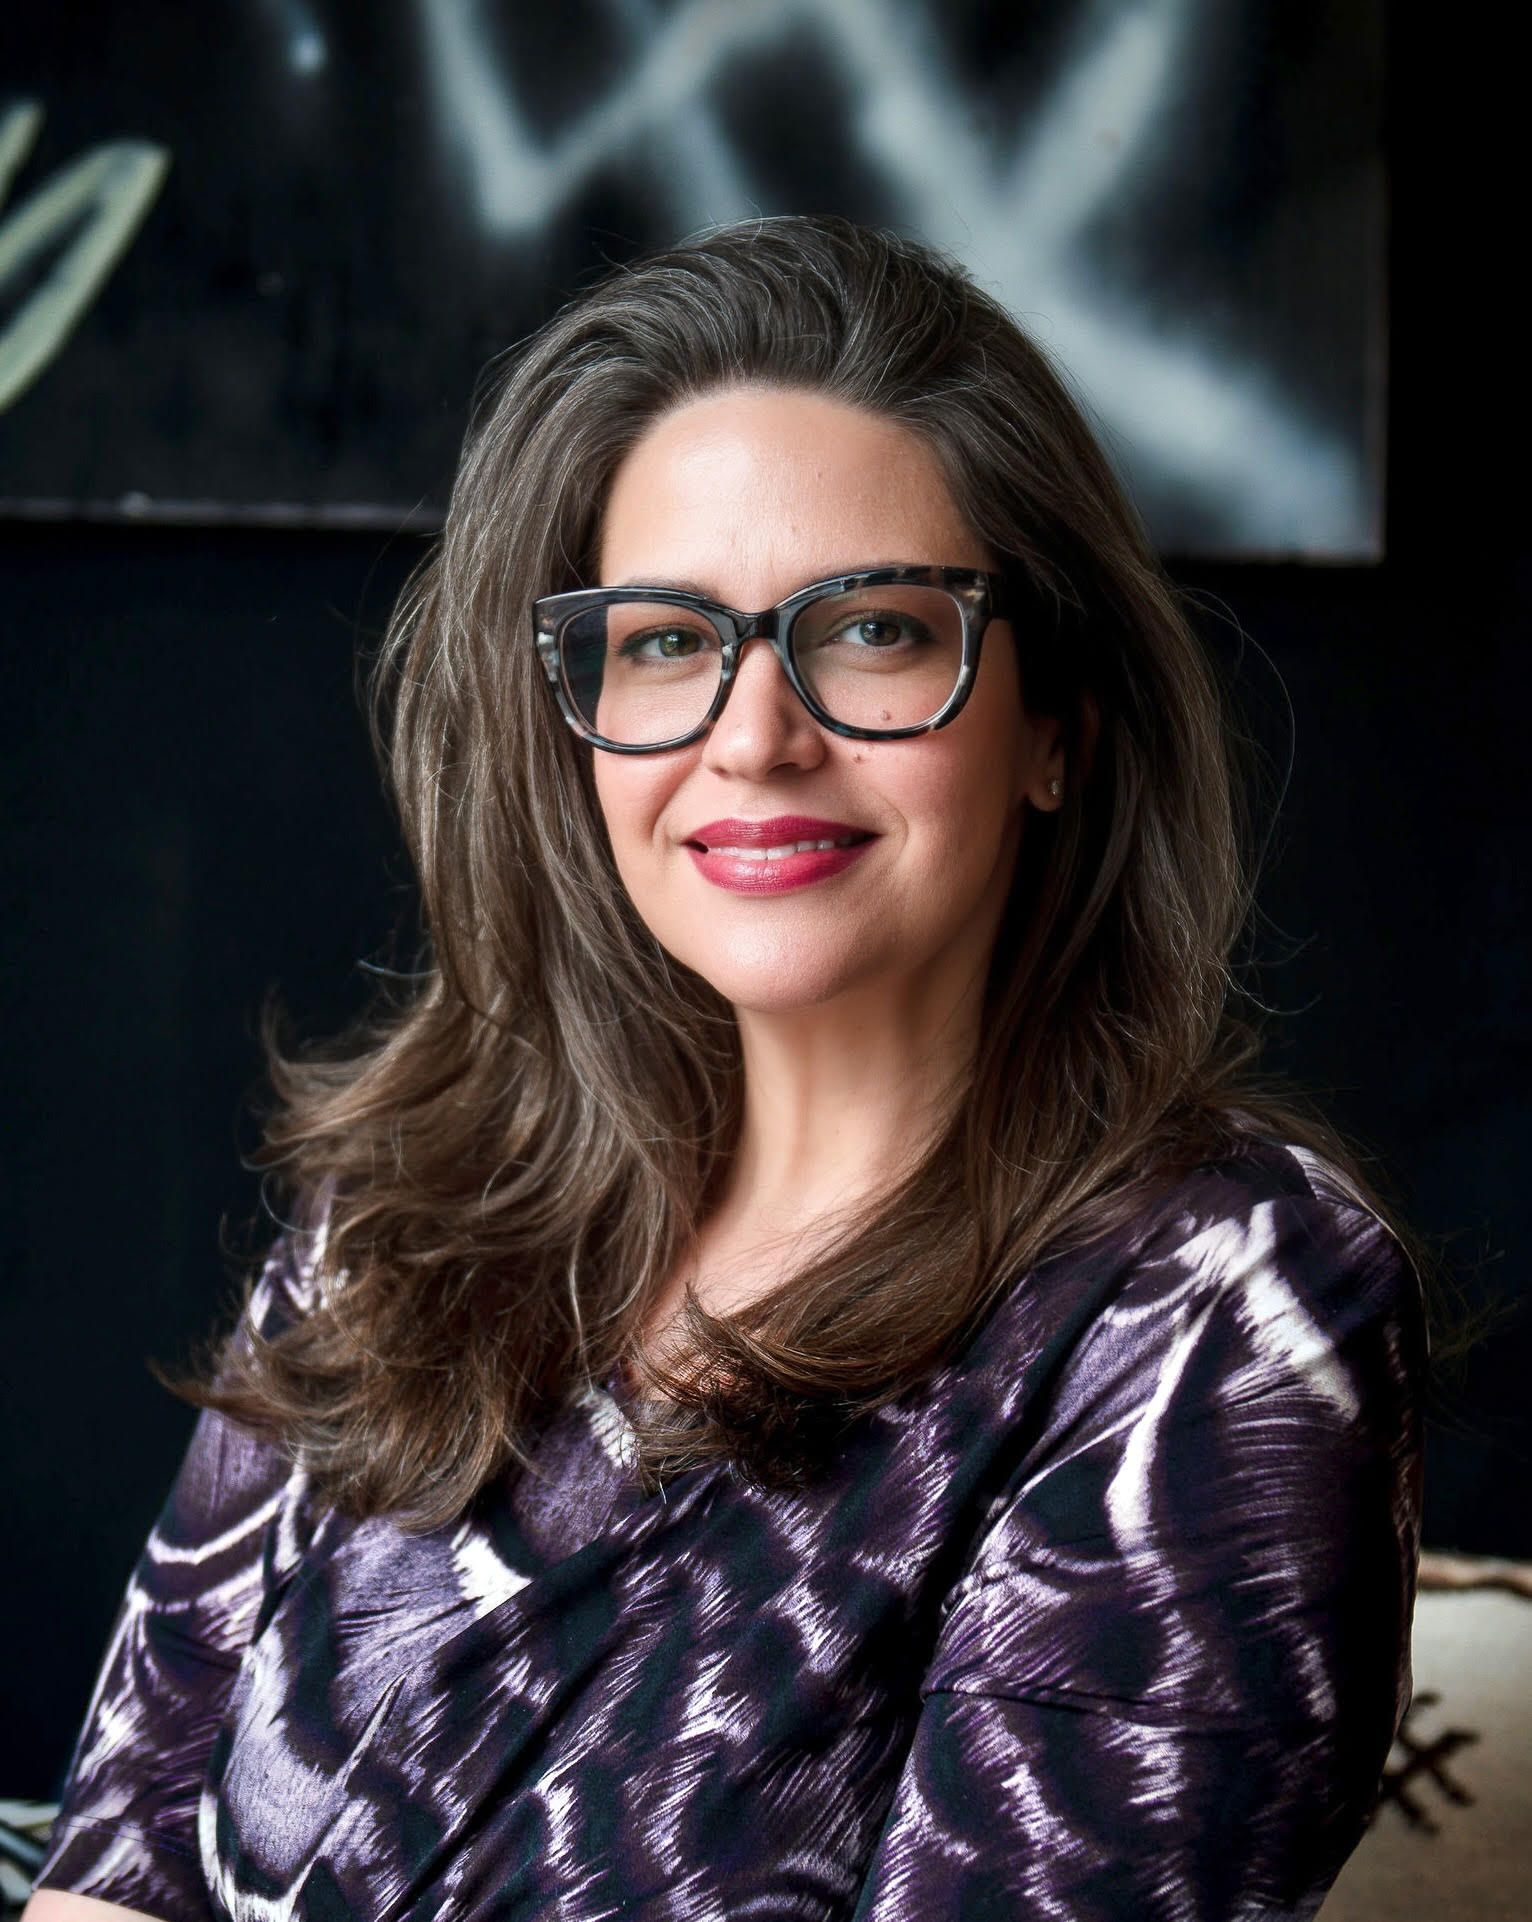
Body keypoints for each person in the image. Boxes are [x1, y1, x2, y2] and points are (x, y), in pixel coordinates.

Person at [27, 212, 1432, 1921]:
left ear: (1058, 723)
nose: (753, 735)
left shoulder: (1221, 1311)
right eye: (667, 642)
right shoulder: (406, 1216)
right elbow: (117, 1868)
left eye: (874, 631)